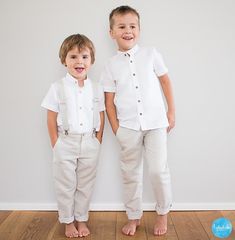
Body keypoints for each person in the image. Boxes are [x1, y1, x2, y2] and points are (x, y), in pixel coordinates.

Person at [100, 5, 175, 236]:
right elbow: (109, 100)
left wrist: (171, 112)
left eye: (132, 26)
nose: (128, 31)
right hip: (128, 127)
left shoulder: (151, 54)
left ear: (139, 30)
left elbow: (165, 82)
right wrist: (116, 128)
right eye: (121, 26)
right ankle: (134, 216)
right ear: (112, 32)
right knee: (130, 173)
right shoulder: (110, 65)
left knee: (157, 171)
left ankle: (162, 213)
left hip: (156, 124)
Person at [41, 34, 105, 238]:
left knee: (86, 185)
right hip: (65, 142)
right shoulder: (57, 87)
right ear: (64, 60)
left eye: (84, 57)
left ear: (92, 60)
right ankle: (68, 222)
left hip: (89, 142)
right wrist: (56, 143)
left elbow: (100, 115)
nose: (79, 62)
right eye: (73, 57)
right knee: (65, 185)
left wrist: (97, 141)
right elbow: (51, 117)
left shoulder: (97, 88)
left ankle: (82, 219)